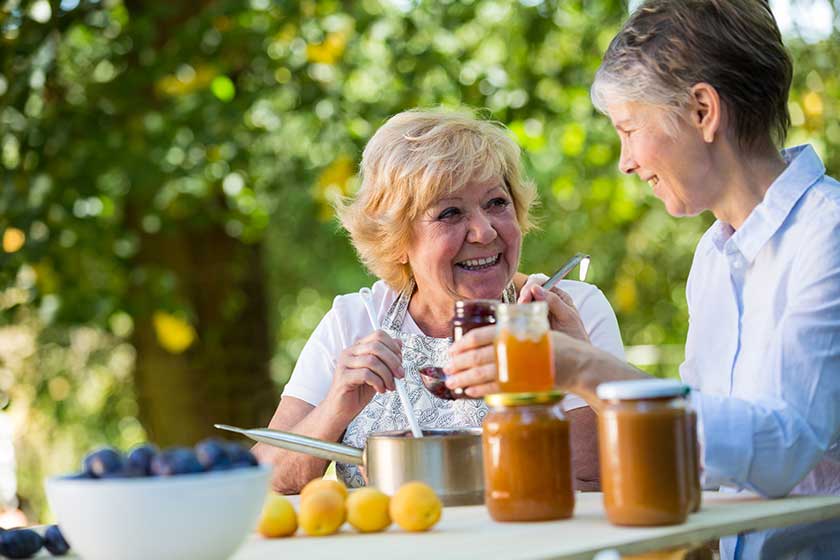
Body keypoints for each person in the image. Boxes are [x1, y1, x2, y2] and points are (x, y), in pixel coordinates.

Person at [448, 1, 840, 557]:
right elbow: (696, 431)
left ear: (703, 110)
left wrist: (585, 368)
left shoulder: (829, 237)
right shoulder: (714, 255)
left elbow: (783, 447)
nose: (625, 161)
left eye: (629, 129)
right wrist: (585, 364)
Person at [254, 109, 624, 492]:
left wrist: (574, 365)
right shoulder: (355, 320)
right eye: (450, 212)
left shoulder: (570, 309)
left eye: (497, 202)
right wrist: (336, 408)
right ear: (396, 240)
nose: (483, 231)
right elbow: (264, 480)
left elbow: (594, 481)